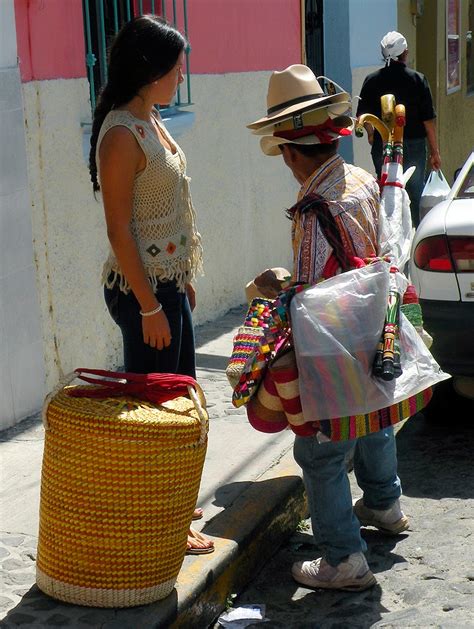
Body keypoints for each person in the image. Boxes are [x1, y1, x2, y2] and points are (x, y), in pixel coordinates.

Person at [247, 64, 409, 591]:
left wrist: (277, 290)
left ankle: (344, 559)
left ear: (292, 154)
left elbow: (313, 299)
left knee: (320, 451)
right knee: (376, 417)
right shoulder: (361, 180)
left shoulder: (314, 207)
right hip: (374, 326)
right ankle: (385, 504)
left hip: (335, 338)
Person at [88, 15, 213, 555]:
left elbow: (166, 213)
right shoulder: (121, 133)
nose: (181, 74)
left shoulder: (152, 117)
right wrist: (147, 306)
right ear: (148, 70)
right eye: (175, 66)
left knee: (179, 398)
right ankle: (160, 521)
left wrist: (180, 279)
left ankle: (173, 503)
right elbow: (119, 229)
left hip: (164, 286)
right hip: (142, 294)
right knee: (157, 411)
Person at [356, 31, 441, 227]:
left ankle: (388, 233)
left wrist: (371, 134)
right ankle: (413, 236)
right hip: (414, 146)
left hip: (383, 145)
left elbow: (363, 116)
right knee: (413, 194)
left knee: (387, 192)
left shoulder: (371, 80)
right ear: (405, 53)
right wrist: (435, 152)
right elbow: (428, 120)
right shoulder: (418, 79)